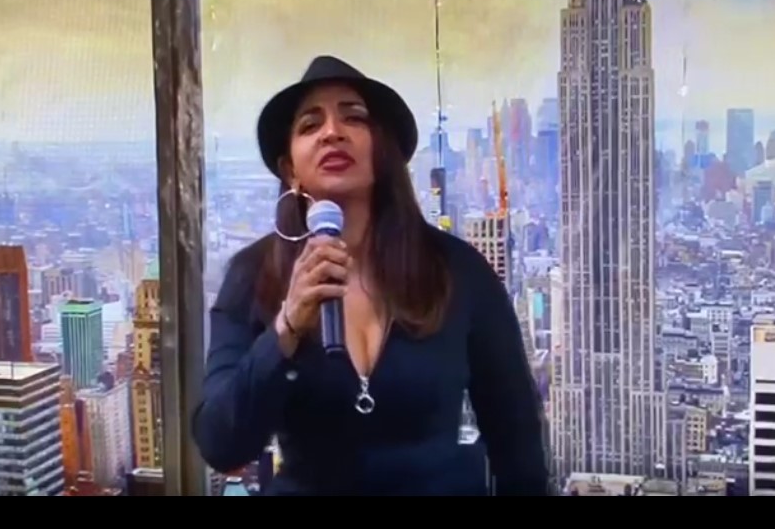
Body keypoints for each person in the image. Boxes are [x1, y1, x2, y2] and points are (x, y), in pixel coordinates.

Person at [193, 55, 548, 496]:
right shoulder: (253, 275)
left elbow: (517, 438)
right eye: (310, 125)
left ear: (383, 150)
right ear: (290, 169)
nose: (332, 132)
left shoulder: (458, 270)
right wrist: (286, 329)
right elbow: (220, 442)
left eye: (354, 117)